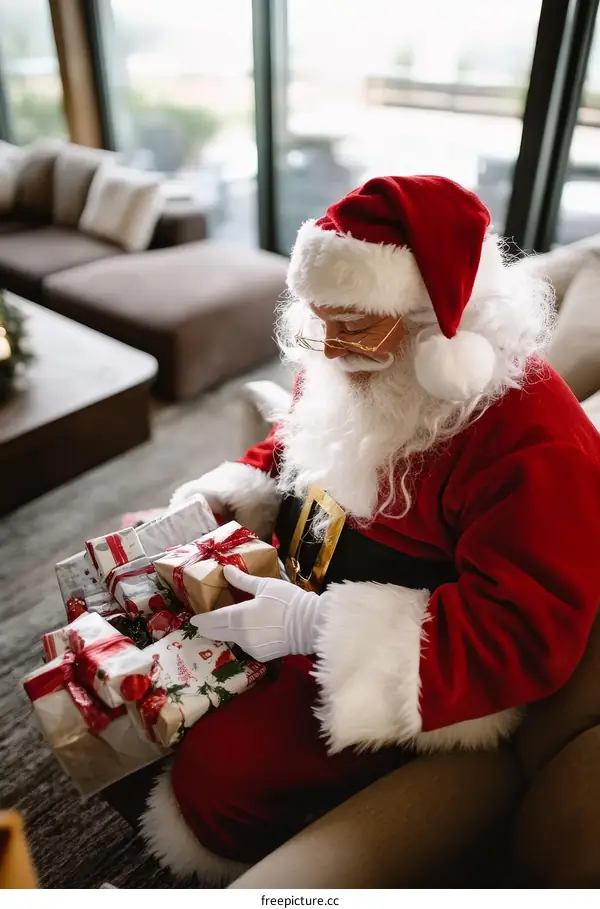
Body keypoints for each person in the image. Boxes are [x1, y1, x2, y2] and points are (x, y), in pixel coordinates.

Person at [140, 175, 600, 883]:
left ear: (439, 326)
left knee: (220, 771)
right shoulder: (351, 353)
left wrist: (312, 627)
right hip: (300, 573)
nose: (328, 346)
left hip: (411, 664)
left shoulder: (537, 445)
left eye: (352, 327)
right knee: (145, 637)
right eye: (316, 321)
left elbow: (523, 632)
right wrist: (229, 489)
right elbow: (302, 442)